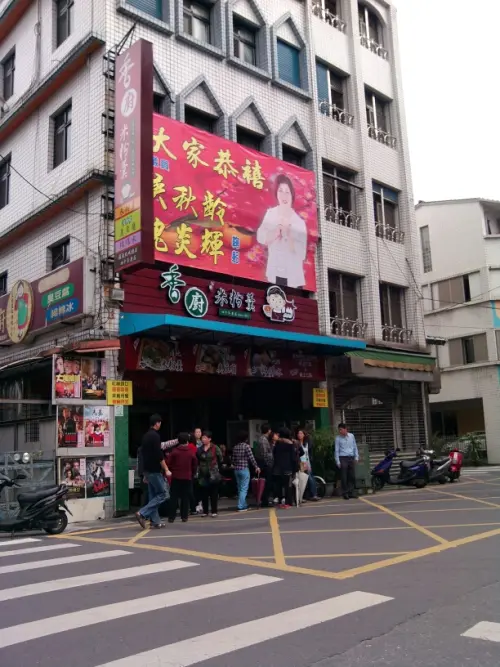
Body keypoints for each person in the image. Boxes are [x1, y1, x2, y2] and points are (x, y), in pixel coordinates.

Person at [256, 174, 307, 288]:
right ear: (276, 194)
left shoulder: (299, 222)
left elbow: (302, 254)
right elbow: (260, 237)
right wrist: (275, 232)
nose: (284, 196)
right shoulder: (271, 214)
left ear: (292, 195)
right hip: (274, 272)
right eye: (280, 191)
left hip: (293, 277)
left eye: (287, 192)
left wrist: (289, 234)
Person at [135, 414, 171, 529]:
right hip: (154, 470)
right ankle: (142, 513)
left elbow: (143, 455)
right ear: (157, 423)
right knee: (163, 494)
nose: (160, 425)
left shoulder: (145, 436)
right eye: (160, 422)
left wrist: (144, 472)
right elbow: (159, 455)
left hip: (147, 470)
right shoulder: (155, 436)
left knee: (153, 496)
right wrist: (166, 469)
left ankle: (155, 521)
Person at [167, 432, 198, 523]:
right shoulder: (190, 452)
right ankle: (184, 516)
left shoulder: (174, 451)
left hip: (176, 476)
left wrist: (172, 470)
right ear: (187, 441)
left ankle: (171, 517)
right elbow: (195, 464)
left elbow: (168, 463)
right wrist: (192, 474)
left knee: (174, 497)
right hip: (187, 477)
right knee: (185, 497)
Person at [232, 431, 260, 512]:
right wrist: (256, 467)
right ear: (246, 438)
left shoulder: (235, 447)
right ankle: (241, 506)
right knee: (244, 488)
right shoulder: (247, 446)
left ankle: (244, 505)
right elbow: (251, 458)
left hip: (236, 469)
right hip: (244, 469)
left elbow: (233, 460)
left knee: (240, 488)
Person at [196, 431, 223, 517]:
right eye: (202, 438)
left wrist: (216, 466)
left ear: (209, 439)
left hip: (213, 473)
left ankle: (214, 511)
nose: (203, 439)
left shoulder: (215, 448)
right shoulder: (200, 449)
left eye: (205, 438)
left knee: (213, 493)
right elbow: (197, 459)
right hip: (203, 474)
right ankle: (205, 511)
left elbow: (220, 458)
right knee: (204, 493)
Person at [272, 427, 298, 509]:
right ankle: (288, 502)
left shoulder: (277, 444)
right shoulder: (290, 444)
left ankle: (280, 501)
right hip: (287, 467)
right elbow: (293, 458)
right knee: (288, 486)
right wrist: (295, 468)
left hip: (277, 467)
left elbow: (274, 454)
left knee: (279, 485)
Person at [335, 423, 359, 500]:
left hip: (351, 457)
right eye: (339, 430)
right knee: (344, 477)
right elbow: (336, 450)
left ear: (345, 429)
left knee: (352, 476)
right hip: (343, 458)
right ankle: (345, 493)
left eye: (341, 429)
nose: (340, 431)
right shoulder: (338, 438)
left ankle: (351, 492)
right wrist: (338, 461)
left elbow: (355, 446)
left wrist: (356, 457)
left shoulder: (351, 436)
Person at [296, 429, 320, 502]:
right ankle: (303, 496)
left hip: (307, 462)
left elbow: (308, 455)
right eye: (298, 433)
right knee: (303, 479)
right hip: (301, 463)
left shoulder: (307, 443)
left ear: (304, 435)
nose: (299, 435)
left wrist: (308, 464)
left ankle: (313, 495)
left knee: (310, 478)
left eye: (301, 433)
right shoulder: (296, 443)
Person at [255, 423, 274, 507]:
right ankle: (264, 501)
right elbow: (264, 454)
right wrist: (268, 464)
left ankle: (265, 500)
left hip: (264, 463)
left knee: (266, 482)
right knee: (266, 483)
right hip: (265, 464)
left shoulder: (264, 439)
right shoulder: (263, 440)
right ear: (268, 430)